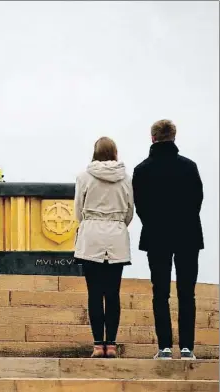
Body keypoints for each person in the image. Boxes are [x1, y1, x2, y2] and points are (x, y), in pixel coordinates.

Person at [132, 120, 203, 360]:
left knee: (160, 292)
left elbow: (139, 205)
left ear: (152, 138)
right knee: (187, 293)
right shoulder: (189, 167)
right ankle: (187, 347)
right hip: (188, 235)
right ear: (174, 137)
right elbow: (197, 201)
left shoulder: (142, 170)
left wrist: (154, 223)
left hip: (157, 235)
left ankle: (164, 346)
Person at [74, 137, 134, 359]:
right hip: (116, 237)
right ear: (115, 152)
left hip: (91, 236)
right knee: (113, 293)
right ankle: (112, 344)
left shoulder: (83, 177)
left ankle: (98, 344)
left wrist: (90, 223)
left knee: (94, 292)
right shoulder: (126, 179)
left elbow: (78, 210)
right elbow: (130, 211)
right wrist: (117, 224)